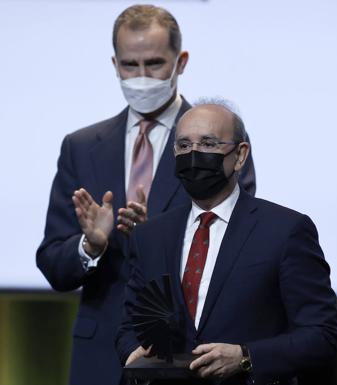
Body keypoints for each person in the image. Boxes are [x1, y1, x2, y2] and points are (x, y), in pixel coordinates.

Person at [36, 5, 256, 385]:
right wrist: (91, 246)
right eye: (129, 66)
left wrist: (158, 235)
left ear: (180, 61)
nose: (141, 77)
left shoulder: (220, 139)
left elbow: (239, 245)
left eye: (154, 64)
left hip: (190, 354)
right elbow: (53, 262)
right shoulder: (81, 146)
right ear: (114, 63)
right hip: (100, 355)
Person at [115, 101, 337, 385]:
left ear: (240, 155)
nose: (193, 154)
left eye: (208, 144)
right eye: (183, 145)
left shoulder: (285, 230)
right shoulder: (151, 235)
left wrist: (246, 357)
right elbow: (129, 326)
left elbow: (322, 335)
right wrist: (132, 353)